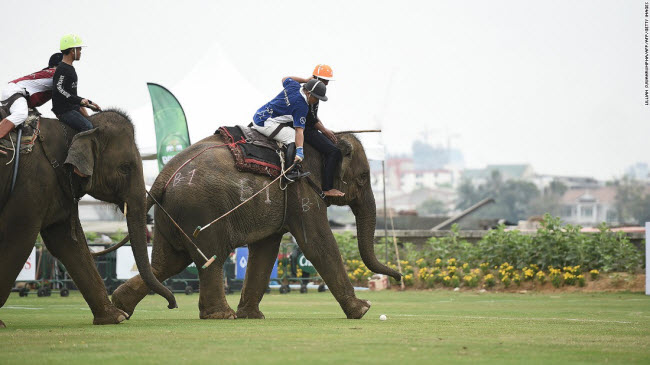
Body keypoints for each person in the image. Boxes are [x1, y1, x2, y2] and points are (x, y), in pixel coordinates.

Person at [252, 77, 327, 179]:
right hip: (265, 123)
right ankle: (289, 173)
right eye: (316, 98)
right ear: (309, 93)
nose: (317, 101)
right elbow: (299, 131)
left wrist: (305, 80)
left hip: (259, 114)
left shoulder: (294, 85)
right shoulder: (302, 107)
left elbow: (284, 79)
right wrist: (300, 151)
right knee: (292, 136)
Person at [0, 53, 64, 140]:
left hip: (14, 91)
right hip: (16, 92)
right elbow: (70, 98)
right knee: (21, 114)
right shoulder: (57, 74)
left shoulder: (50, 74)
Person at [305, 64, 345, 197]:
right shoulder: (309, 91)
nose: (327, 83)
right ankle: (327, 187)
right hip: (304, 129)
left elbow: (313, 114)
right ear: (316, 78)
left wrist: (324, 128)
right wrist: (325, 131)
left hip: (310, 126)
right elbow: (310, 118)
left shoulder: (313, 90)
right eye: (325, 80)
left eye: (327, 81)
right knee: (334, 152)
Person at [52, 34, 101, 133]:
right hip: (64, 111)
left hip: (71, 108)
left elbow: (72, 95)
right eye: (79, 49)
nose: (80, 52)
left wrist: (90, 103)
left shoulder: (69, 68)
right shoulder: (62, 68)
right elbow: (59, 88)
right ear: (72, 51)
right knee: (87, 127)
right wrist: (81, 100)